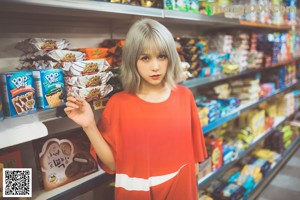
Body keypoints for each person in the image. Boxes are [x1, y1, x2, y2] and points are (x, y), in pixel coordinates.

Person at [64, 18, 207, 200]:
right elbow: (114, 165)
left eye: (162, 56)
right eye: (145, 58)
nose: (155, 66)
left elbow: (194, 164)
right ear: (133, 60)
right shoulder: (119, 104)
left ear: (171, 57)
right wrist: (89, 125)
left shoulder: (185, 97)